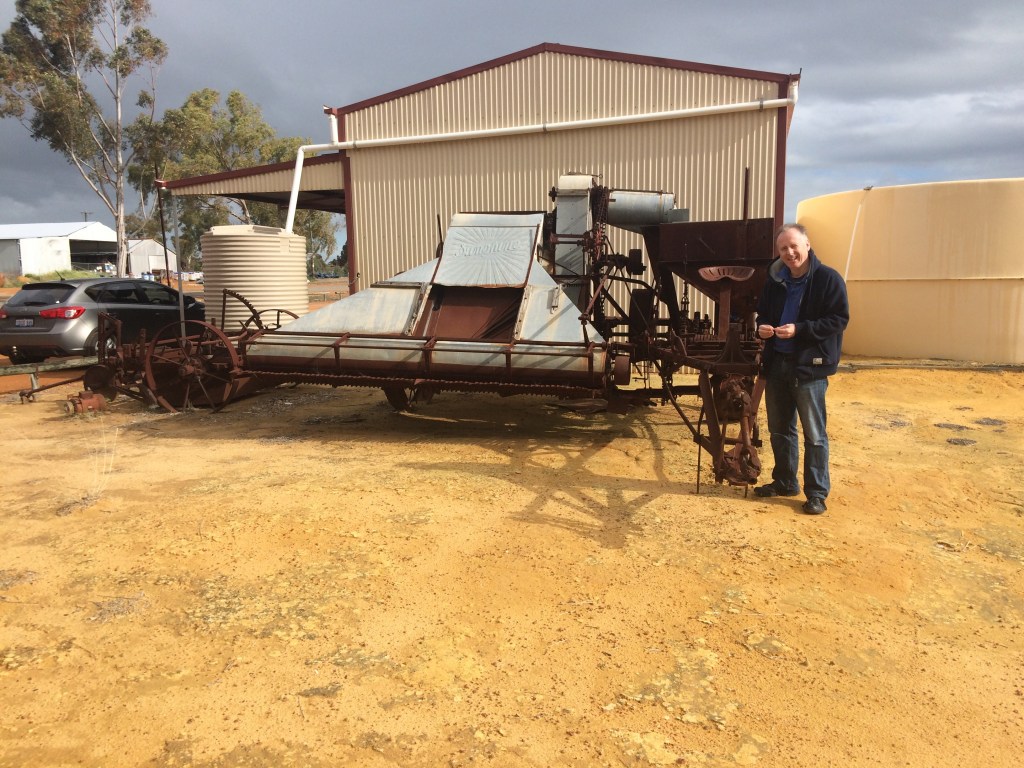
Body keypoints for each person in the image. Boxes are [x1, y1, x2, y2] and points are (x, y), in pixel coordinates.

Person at [754, 223, 849, 515]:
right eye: (783, 248)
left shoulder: (828, 279)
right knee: (779, 430)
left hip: (809, 367)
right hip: (777, 363)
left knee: (814, 434)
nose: (789, 253)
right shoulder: (775, 280)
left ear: (807, 245)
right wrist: (763, 328)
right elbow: (763, 314)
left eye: (794, 246)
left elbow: (839, 319)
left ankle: (817, 493)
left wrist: (800, 329)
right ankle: (785, 482)